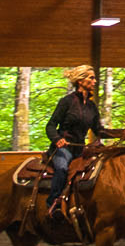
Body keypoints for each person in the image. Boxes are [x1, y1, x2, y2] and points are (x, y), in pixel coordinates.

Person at [40, 65, 113, 219]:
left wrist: (122, 133)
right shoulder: (66, 102)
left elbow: (99, 131)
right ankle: (53, 204)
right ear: (81, 81)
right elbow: (51, 125)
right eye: (91, 78)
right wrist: (58, 140)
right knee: (61, 168)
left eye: (94, 78)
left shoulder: (92, 107)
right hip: (63, 149)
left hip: (80, 150)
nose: (95, 81)